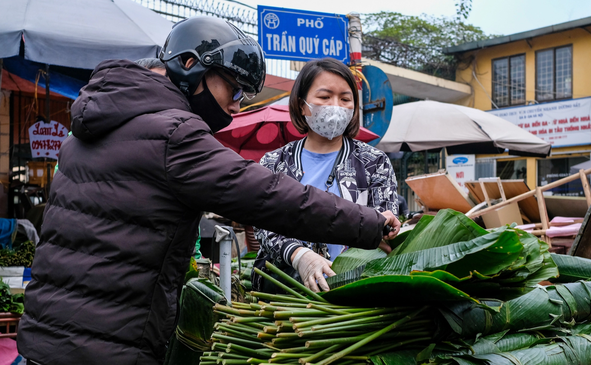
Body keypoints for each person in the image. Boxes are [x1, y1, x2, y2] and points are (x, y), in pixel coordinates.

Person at [16, 16, 399, 365]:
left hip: (47, 334)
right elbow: (268, 196)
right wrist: (369, 223)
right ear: (189, 65)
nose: (234, 108)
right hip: (104, 344)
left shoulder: (89, 127)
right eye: (232, 90)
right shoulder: (172, 133)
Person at [252, 58, 399, 293]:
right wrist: (300, 256)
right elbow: (264, 225)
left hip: (356, 292)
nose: (336, 106)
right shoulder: (274, 162)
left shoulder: (374, 162)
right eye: (324, 97)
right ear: (302, 105)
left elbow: (384, 233)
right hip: (287, 292)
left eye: (345, 99)